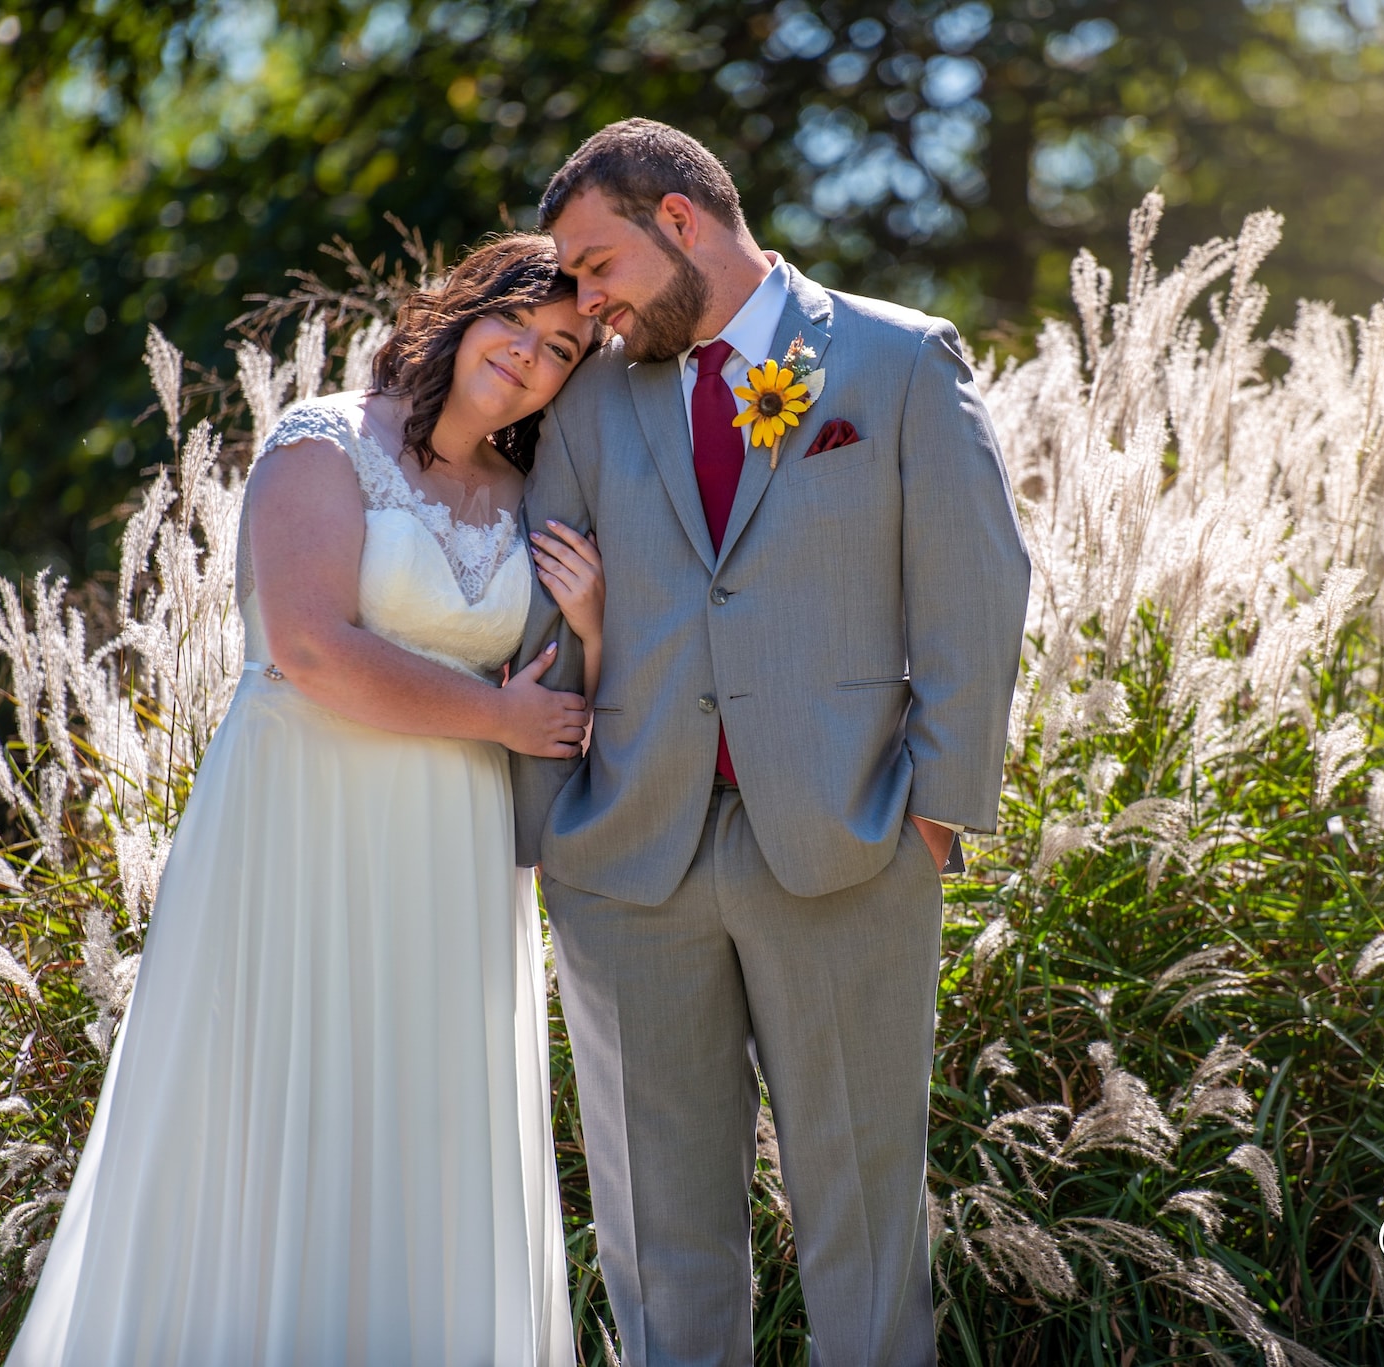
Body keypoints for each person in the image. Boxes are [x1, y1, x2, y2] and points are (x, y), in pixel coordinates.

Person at [8, 234, 605, 1366]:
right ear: (463, 310)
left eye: (561, 349)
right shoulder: (326, 441)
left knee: (426, 1122)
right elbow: (310, 647)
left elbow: (564, 685)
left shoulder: (530, 495)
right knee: (284, 1107)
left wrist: (591, 626)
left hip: (454, 850)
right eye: (513, 324)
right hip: (303, 822)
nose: (527, 357)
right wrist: (499, 718)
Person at [510, 120, 1033, 1367]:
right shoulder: (588, 400)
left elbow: (976, 586)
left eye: (594, 266)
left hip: (851, 845)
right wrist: (547, 829)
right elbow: (537, 616)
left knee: (862, 1238)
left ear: (677, 223)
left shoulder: (895, 361)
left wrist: (936, 813)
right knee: (660, 1252)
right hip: (628, 865)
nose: (582, 303)